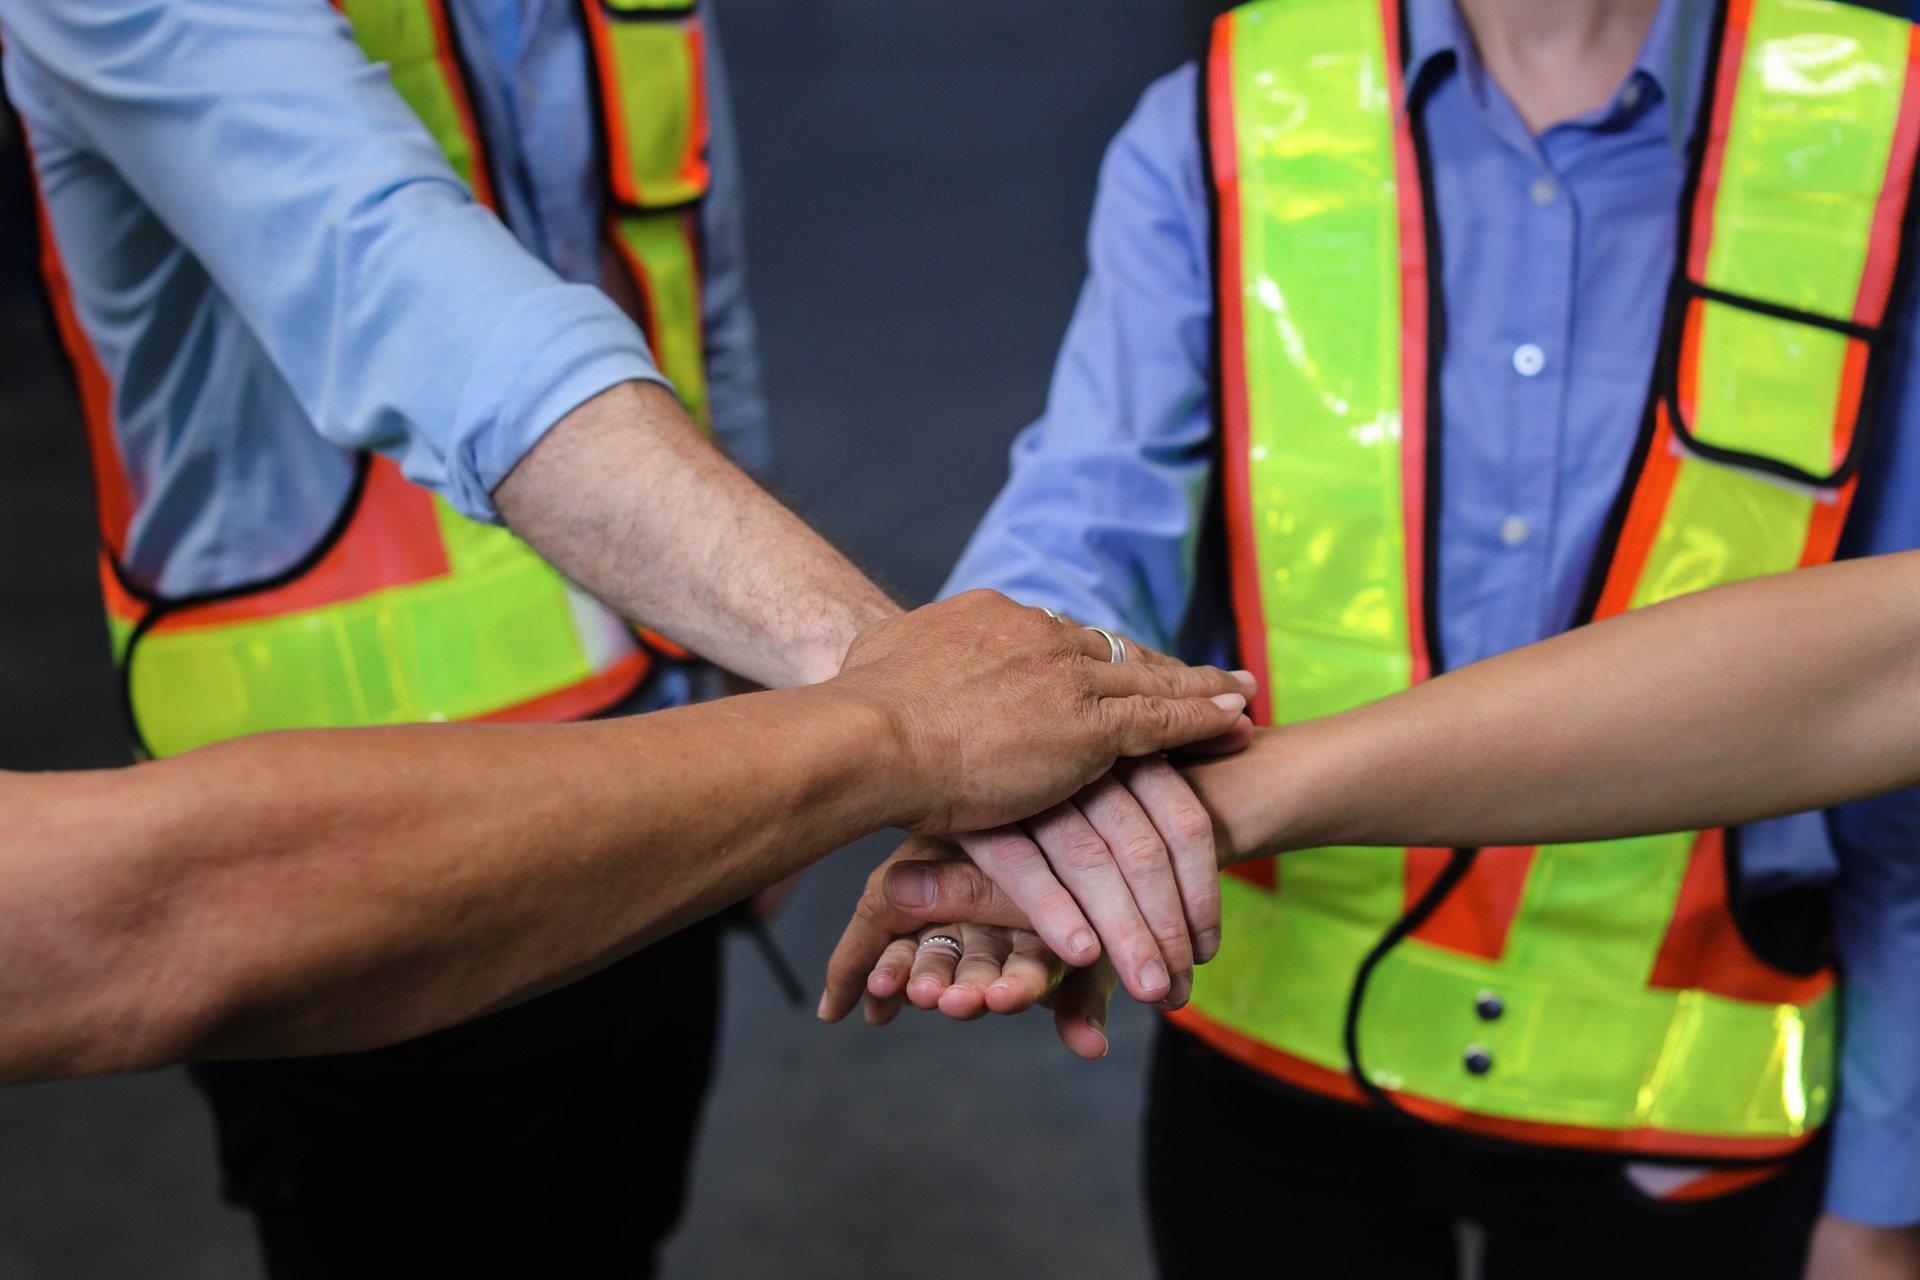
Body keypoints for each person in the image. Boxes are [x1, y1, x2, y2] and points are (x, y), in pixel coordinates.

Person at [0, 1, 1226, 1272]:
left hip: (682, 772)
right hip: (335, 845)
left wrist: (756, 694)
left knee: (611, 1225)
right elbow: (422, 298)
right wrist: (885, 690)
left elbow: (688, 305)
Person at [826, 0, 1920, 1276]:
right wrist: (999, 778)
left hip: (1686, 1091)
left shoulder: (1880, 127)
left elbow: (1891, 689)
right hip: (1273, 1056)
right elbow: (1086, 519)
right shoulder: (1226, 116)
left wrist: (1888, 1183)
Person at [0, 592, 1249, 1086]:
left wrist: (955, 713)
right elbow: (140, 913)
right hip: (364, 861)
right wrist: (900, 727)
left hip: (655, 802)